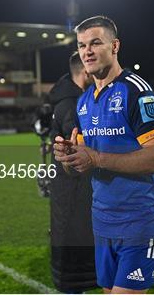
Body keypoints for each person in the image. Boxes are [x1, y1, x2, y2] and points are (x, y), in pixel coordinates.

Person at [53, 16, 154, 294]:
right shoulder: (84, 102)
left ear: (115, 46)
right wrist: (69, 157)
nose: (87, 51)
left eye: (96, 43)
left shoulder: (138, 93)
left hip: (140, 220)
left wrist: (95, 158)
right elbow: (80, 167)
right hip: (102, 221)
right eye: (82, 45)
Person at [48, 52, 96, 293]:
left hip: (69, 187)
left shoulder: (66, 99)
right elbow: (75, 150)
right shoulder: (72, 104)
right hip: (73, 188)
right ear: (85, 71)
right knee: (75, 244)